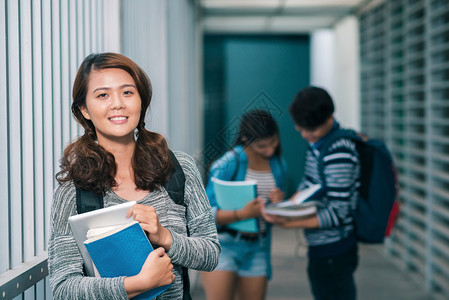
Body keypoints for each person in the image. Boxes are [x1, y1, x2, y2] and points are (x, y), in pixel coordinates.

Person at [48, 52, 220, 300]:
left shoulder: (179, 168)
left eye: (128, 92)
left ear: (141, 101)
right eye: (103, 95)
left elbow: (211, 254)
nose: (117, 103)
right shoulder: (72, 188)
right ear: (84, 109)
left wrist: (164, 237)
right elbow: (64, 287)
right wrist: (136, 284)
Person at [263, 86, 360, 300]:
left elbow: (339, 213)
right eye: (301, 128)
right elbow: (310, 186)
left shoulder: (339, 153)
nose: (305, 134)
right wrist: (285, 205)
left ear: (329, 119)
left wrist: (289, 223)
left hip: (334, 251)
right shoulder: (318, 144)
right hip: (322, 248)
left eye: (311, 130)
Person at [200, 109, 287, 300]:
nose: (270, 150)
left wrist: (278, 203)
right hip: (224, 245)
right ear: (246, 139)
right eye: (262, 146)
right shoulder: (229, 162)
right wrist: (242, 214)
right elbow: (204, 215)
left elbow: (273, 214)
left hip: (258, 246)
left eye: (273, 142)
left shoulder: (278, 164)